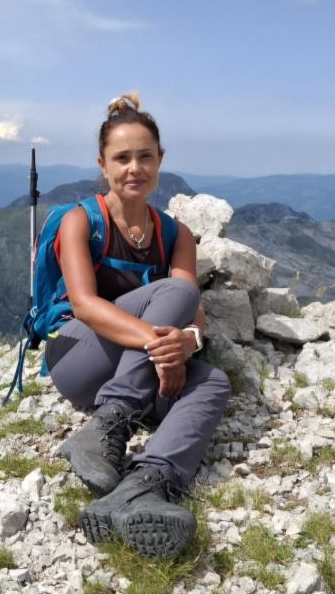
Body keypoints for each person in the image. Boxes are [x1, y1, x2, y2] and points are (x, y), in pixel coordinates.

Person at [47, 93, 231, 559]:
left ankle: (145, 486)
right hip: (78, 357)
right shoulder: (80, 221)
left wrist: (186, 344)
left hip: (136, 368)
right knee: (177, 291)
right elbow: (86, 306)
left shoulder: (175, 234)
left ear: (160, 161)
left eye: (145, 157)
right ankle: (109, 422)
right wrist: (159, 346)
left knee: (213, 381)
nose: (135, 168)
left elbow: (194, 315)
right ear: (102, 164)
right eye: (122, 158)